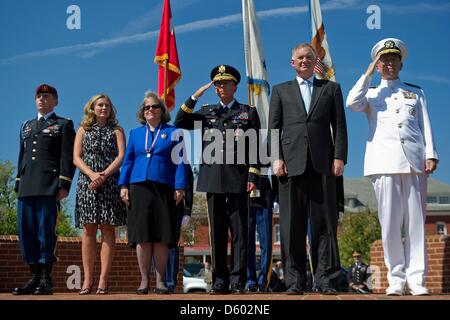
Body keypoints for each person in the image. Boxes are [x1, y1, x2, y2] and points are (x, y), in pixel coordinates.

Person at [346, 38, 438, 296]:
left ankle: (416, 278)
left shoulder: (415, 92)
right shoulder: (371, 93)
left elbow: (425, 125)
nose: (389, 64)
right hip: (384, 164)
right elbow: (352, 103)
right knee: (389, 224)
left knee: (416, 223)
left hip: (414, 163)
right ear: (377, 65)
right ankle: (395, 279)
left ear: (400, 63)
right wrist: (365, 74)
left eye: (393, 59)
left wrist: (431, 154)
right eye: (383, 60)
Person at [268, 43, 348, 295]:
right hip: (290, 166)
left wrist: (339, 157)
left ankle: (324, 279)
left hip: (323, 164)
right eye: (300, 58)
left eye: (309, 57)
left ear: (316, 62)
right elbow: (273, 128)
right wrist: (276, 158)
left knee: (324, 225)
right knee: (292, 226)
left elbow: (340, 126)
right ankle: (294, 280)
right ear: (292, 62)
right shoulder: (280, 91)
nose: (304, 61)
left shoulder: (331, 89)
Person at [174, 64, 261, 294]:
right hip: (212, 178)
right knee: (218, 233)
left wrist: (253, 174)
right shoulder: (206, 111)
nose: (221, 87)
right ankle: (220, 281)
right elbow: (180, 121)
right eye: (217, 84)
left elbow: (257, 147)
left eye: (225, 83)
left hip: (239, 178)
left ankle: (238, 281)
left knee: (240, 233)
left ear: (235, 85)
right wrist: (194, 96)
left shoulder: (247, 112)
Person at [118, 91, 187, 294]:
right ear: (142, 112)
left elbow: (180, 161)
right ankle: (143, 281)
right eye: (146, 107)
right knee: (143, 236)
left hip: (164, 187)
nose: (150, 110)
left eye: (154, 106)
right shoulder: (135, 134)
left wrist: (180, 186)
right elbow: (128, 160)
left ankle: (160, 281)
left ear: (161, 111)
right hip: (138, 186)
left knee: (161, 236)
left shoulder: (174, 132)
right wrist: (123, 186)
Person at [12, 84, 75, 295]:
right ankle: (33, 277)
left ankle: (46, 279)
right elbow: (22, 156)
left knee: (45, 233)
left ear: (55, 101)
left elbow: (67, 157)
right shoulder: (26, 126)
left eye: (46, 96)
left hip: (48, 186)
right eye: (39, 96)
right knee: (26, 233)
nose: (42, 99)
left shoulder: (63, 124)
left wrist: (64, 183)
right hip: (27, 186)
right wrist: (18, 180)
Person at [73, 94, 127, 295]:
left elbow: (121, 156)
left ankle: (103, 280)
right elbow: (76, 158)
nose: (104, 108)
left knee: (107, 229)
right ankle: (87, 280)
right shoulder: (83, 130)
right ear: (92, 108)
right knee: (88, 230)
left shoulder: (117, 130)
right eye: (100, 105)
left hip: (110, 181)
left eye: (107, 105)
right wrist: (92, 174)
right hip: (87, 183)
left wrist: (103, 175)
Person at [246, 172, 278, 293]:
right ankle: (250, 280)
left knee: (266, 243)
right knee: (248, 243)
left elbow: (275, 170)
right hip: (246, 197)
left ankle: (263, 280)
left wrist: (276, 197)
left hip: (265, 195)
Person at [165, 164, 194, 293]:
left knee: (171, 244)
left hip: (176, 207)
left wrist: (187, 211)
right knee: (157, 244)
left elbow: (189, 184)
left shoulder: (181, 159)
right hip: (158, 205)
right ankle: (161, 281)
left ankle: (170, 283)